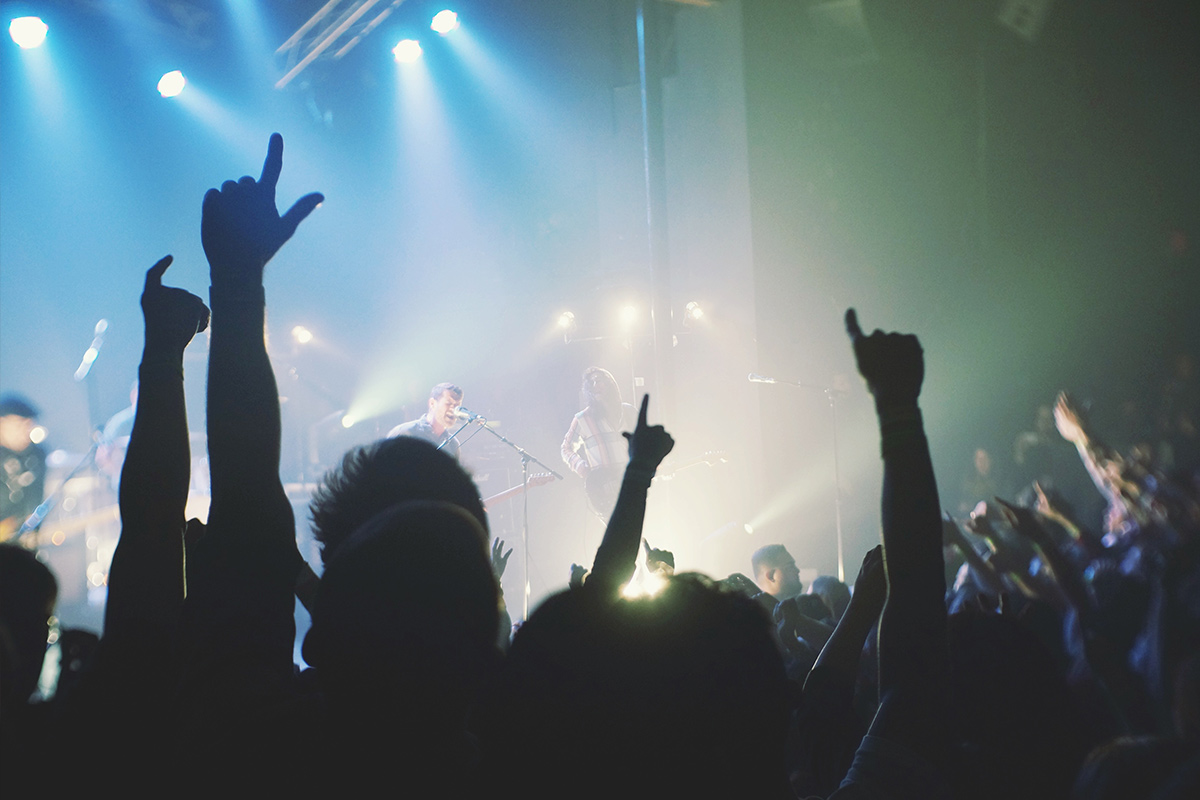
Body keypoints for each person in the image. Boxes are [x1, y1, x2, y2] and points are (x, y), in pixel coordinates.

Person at [561, 367, 635, 518]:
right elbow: (566, 448)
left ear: (610, 384)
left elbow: (644, 442)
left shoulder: (629, 411)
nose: (595, 385)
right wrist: (583, 468)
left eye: (598, 381)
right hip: (607, 490)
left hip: (633, 485)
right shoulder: (583, 418)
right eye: (591, 383)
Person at [0, 394, 46, 542]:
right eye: (20, 424)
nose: (26, 431)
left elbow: (37, 498)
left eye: (29, 425)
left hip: (21, 544)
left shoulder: (36, 456)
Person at [388, 382, 466, 459]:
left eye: (457, 406)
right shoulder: (404, 433)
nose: (453, 410)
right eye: (448, 403)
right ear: (432, 403)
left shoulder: (453, 444)